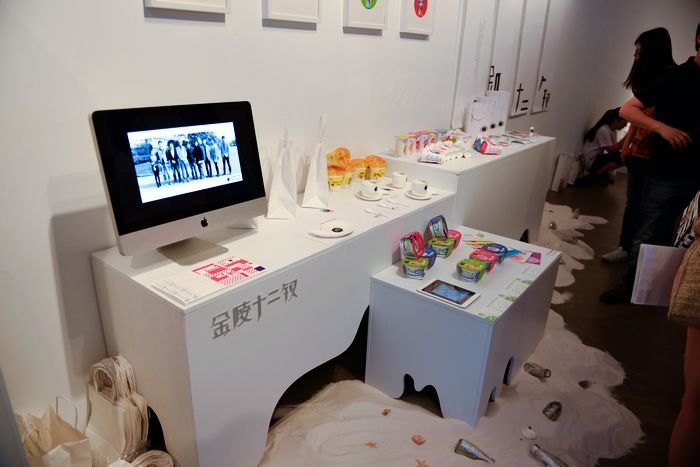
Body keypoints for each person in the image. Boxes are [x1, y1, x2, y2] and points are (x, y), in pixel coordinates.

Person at [600, 23, 699, 305]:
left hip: (694, 174)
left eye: (639, 52)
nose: (636, 56)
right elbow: (627, 110)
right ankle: (633, 285)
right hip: (665, 170)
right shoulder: (676, 77)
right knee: (648, 228)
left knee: (683, 234)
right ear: (698, 39)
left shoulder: (671, 74)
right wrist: (661, 129)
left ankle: (665, 290)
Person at [602, 27, 678, 263]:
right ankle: (627, 248)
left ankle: (641, 260)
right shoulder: (648, 80)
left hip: (659, 155)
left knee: (652, 210)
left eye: (639, 52)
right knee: (634, 203)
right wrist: (627, 143)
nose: (635, 57)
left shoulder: (672, 79)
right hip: (640, 152)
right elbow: (635, 115)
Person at [581, 108, 627, 180]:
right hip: (590, 160)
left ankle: (600, 174)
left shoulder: (613, 131)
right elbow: (611, 150)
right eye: (625, 122)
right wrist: (627, 138)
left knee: (622, 156)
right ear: (616, 120)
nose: (625, 125)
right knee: (622, 157)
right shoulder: (604, 130)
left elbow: (615, 150)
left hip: (596, 158)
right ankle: (595, 175)